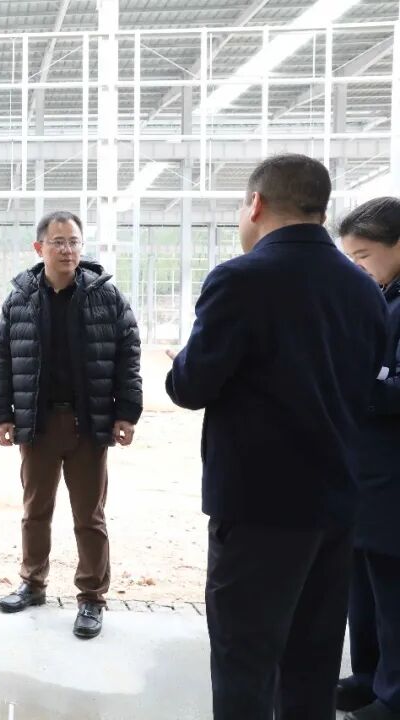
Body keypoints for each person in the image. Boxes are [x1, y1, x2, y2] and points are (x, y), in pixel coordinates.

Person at [166, 154, 387, 720]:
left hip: (259, 509)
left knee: (245, 660)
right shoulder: (363, 289)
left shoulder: (241, 279)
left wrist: (182, 360)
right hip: (336, 505)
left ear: (256, 204)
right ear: (321, 211)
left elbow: (191, 386)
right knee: (313, 664)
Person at [0, 210, 142, 639]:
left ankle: (91, 597)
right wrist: (1, 414)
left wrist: (127, 411)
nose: (67, 249)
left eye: (73, 241)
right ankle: (32, 583)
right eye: (58, 242)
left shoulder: (106, 296)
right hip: (36, 422)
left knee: (89, 515)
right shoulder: (19, 298)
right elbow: (1, 357)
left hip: (88, 422)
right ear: (39, 248)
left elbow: (128, 353)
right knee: (35, 510)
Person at [335, 197, 400, 720]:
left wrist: (359, 383)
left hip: (391, 471)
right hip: (364, 466)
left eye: (363, 255)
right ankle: (367, 676)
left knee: (392, 587)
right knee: (362, 583)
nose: (356, 267)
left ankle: (393, 694)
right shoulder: (381, 295)